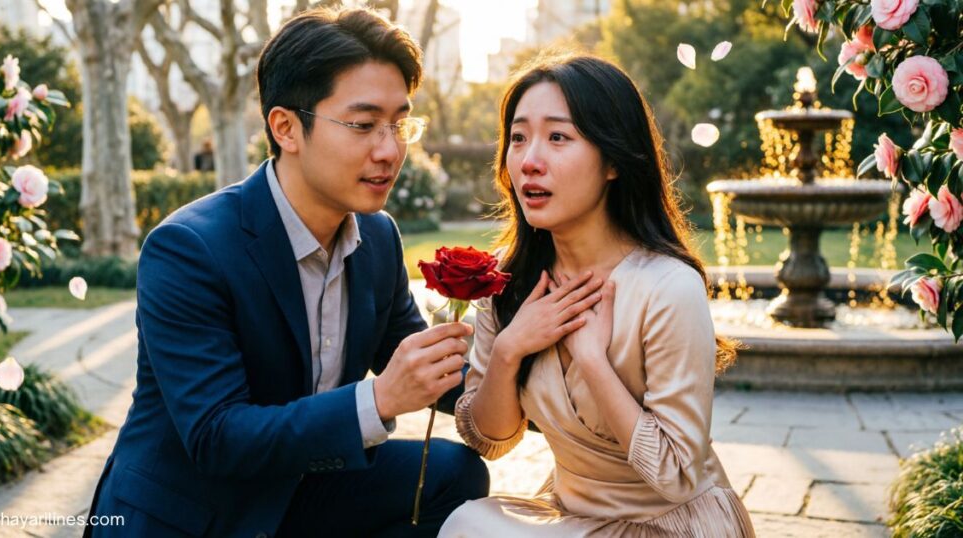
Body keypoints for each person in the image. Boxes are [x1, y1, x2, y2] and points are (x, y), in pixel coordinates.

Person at [84, 8, 488, 537]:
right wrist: (380, 398)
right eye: (364, 125)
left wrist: (525, 366)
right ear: (286, 128)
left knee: (454, 474)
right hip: (195, 511)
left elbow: (431, 373)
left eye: (399, 124)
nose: (390, 150)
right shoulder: (190, 248)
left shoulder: (379, 239)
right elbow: (216, 436)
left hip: (300, 486)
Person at [439, 52, 754, 537]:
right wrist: (509, 349)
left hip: (670, 525)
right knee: (466, 523)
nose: (529, 161)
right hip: (572, 515)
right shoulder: (509, 282)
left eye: (558, 137)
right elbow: (490, 440)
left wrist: (593, 361)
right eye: (518, 138)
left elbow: (676, 476)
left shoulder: (667, 286)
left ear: (612, 160)